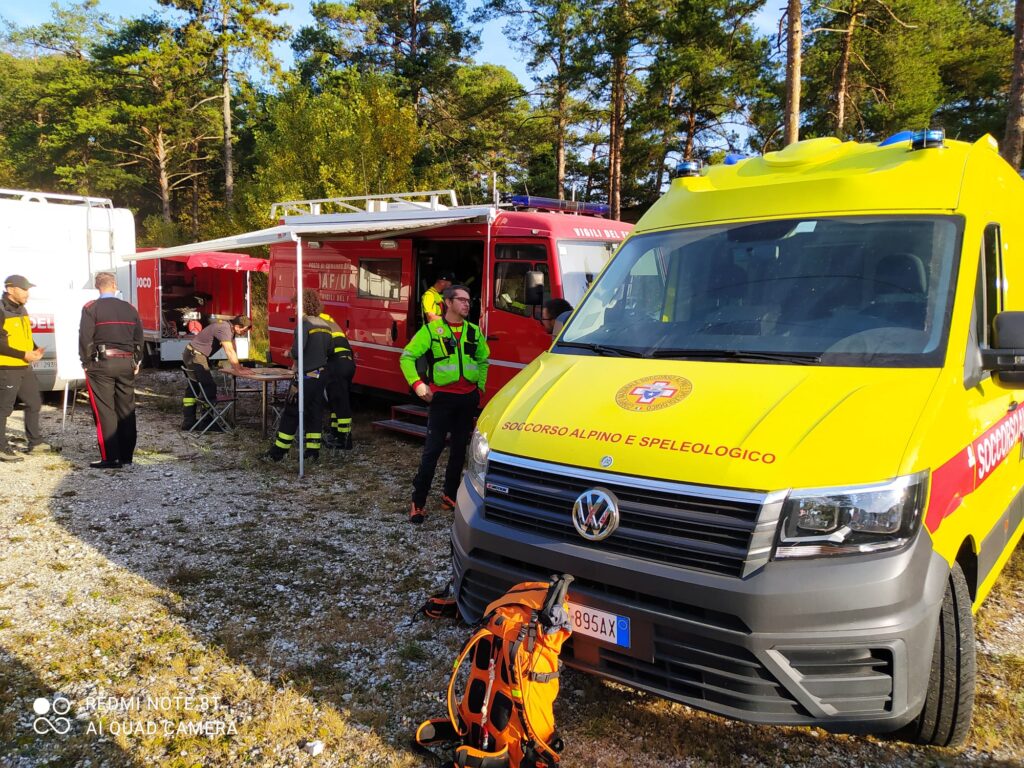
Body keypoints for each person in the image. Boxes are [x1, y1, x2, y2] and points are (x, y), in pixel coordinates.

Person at [400, 284, 489, 524]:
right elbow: (407, 357)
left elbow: (483, 360)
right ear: (448, 303)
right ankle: (418, 502)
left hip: (467, 399)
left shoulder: (473, 331)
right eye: (462, 300)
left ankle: (450, 495)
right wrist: (418, 385)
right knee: (433, 451)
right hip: (442, 400)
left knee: (459, 450)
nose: (467, 304)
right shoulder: (431, 331)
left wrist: (479, 389)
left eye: (469, 300)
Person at [78, 272, 144, 469]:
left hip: (101, 364)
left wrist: (86, 362)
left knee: (105, 410)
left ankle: (111, 457)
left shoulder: (91, 308)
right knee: (126, 409)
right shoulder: (129, 308)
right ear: (114, 285)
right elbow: (138, 338)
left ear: (97, 286)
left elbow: (85, 338)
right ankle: (126, 456)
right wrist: (136, 361)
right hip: (126, 363)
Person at [263, 288, 333, 463]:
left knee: (291, 412)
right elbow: (329, 350)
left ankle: (278, 452)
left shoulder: (304, 324)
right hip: (321, 375)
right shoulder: (325, 325)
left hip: (306, 376)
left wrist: (288, 353)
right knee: (314, 412)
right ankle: (313, 452)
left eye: (295, 305)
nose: (293, 308)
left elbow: (297, 351)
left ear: (303, 305)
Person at [0, 275, 48, 462]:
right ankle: (1, 448)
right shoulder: (1, 310)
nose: (27, 293)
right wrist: (23, 354)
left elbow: (25, 336)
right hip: (7, 366)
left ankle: (35, 443)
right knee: (4, 408)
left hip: (24, 365)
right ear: (10, 289)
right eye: (24, 289)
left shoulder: (23, 309)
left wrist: (34, 349)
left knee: (34, 402)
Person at [181, 314, 252, 430]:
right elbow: (229, 351)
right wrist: (238, 369)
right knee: (209, 387)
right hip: (196, 355)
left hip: (192, 354)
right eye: (244, 330)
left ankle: (189, 421)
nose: (245, 333)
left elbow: (233, 348)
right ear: (237, 326)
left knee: (194, 387)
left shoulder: (229, 328)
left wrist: (239, 366)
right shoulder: (225, 329)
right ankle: (207, 422)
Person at [318, 309, 356, 450]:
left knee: (340, 403)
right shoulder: (327, 318)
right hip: (347, 362)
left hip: (337, 364)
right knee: (335, 399)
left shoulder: (311, 322)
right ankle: (335, 433)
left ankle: (345, 439)